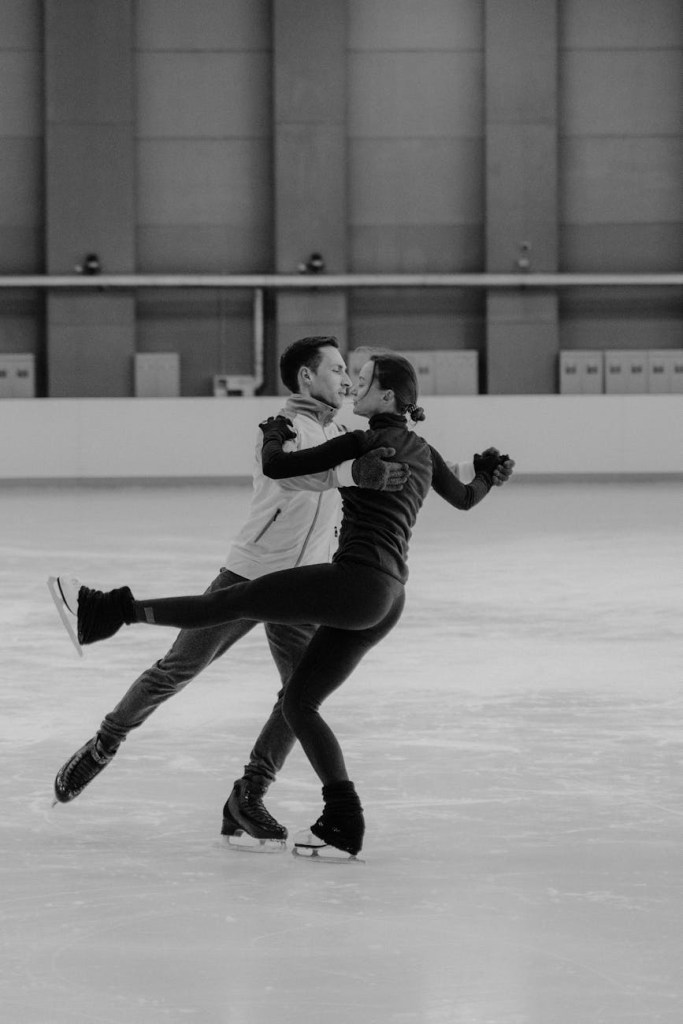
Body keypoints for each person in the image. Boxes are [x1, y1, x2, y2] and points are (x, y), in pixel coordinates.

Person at [52, 352, 514, 859]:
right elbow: (287, 476)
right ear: (307, 376)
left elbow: (412, 469)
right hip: (258, 569)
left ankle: (250, 793)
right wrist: (354, 473)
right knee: (178, 669)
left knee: (294, 700)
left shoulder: (349, 432)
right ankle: (105, 742)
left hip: (315, 582)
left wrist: (475, 470)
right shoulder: (282, 427)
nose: (347, 380)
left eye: (355, 375)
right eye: (338, 370)